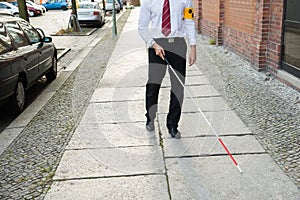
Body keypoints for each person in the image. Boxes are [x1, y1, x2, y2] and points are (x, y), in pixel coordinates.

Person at [138, 0, 197, 138]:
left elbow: (189, 22)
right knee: (153, 84)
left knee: (178, 86)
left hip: (177, 45)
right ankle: (150, 117)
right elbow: (142, 27)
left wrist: (193, 47)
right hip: (156, 45)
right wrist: (153, 44)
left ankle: (172, 125)